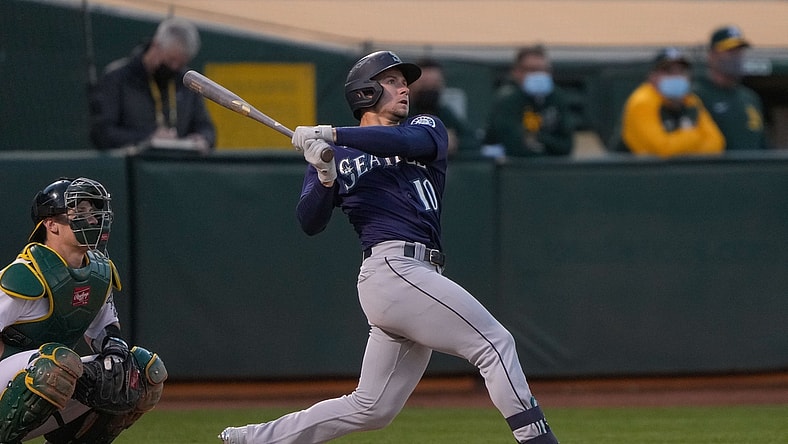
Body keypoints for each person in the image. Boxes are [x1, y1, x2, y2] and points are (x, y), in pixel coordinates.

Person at [218, 51, 558, 444]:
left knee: (371, 407)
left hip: (419, 274)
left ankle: (253, 439)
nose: (404, 88)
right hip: (392, 270)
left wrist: (332, 133)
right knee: (494, 344)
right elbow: (309, 222)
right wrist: (325, 175)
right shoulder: (334, 156)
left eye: (403, 81)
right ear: (365, 92)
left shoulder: (425, 127)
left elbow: (403, 140)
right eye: (393, 81)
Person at [0, 177, 167, 443]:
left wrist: (115, 352)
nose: (91, 219)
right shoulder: (25, 275)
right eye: (79, 212)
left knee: (141, 373)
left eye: (93, 211)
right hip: (12, 383)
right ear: (51, 224)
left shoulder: (98, 272)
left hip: (41, 376)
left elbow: (104, 331)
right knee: (55, 366)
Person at [89, 17, 216, 152]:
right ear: (156, 46)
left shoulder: (186, 82)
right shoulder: (117, 78)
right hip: (131, 166)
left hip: (177, 167)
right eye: (171, 60)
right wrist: (148, 138)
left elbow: (207, 128)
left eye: (180, 64)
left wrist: (202, 138)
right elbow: (102, 133)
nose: (174, 67)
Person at [615, 47, 725, 157]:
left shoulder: (690, 101)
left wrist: (681, 146)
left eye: (681, 71)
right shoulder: (642, 102)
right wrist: (693, 135)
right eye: (668, 71)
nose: (676, 76)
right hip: (635, 171)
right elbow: (662, 149)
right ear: (653, 76)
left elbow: (716, 144)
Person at [482, 45, 573, 158]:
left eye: (544, 70)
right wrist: (547, 145)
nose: (539, 75)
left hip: (550, 167)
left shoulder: (558, 98)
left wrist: (538, 138)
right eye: (532, 70)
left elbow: (566, 146)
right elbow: (515, 147)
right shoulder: (506, 101)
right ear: (516, 72)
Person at [693, 25, 767, 150]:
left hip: (752, 168)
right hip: (716, 168)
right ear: (712, 55)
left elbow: (762, 143)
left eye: (739, 51)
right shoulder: (696, 95)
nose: (736, 57)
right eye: (729, 51)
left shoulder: (749, 97)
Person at [409, 58, 480, 157]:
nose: (429, 88)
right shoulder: (402, 111)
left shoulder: (443, 112)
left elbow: (472, 139)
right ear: (410, 85)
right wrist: (437, 141)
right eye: (424, 84)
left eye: (434, 84)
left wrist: (455, 143)